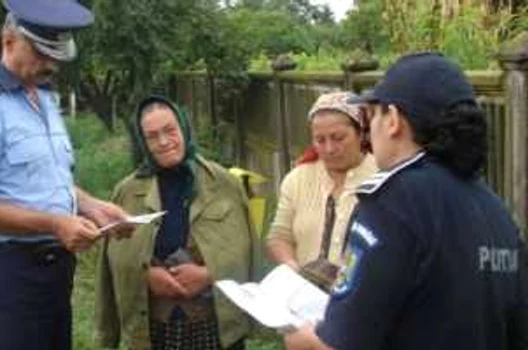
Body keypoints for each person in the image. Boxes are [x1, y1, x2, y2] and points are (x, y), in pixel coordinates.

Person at [284, 52, 528, 350]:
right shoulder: (496, 211)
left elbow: (343, 343)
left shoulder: (392, 202)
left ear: (393, 121)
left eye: (373, 116)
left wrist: (303, 339)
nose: (370, 132)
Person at [0, 1, 133, 349]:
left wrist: (92, 206)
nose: (50, 64)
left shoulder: (42, 98)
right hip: (9, 276)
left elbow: (45, 179)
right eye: (41, 52)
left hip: (55, 272)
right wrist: (56, 224)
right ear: (9, 40)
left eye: (56, 54)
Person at [95, 96, 260, 350]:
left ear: (183, 128)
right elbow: (113, 262)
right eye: (152, 136)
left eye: (170, 131)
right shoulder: (126, 192)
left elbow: (246, 251)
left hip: (215, 325)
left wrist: (209, 274)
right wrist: (147, 276)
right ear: (142, 142)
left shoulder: (224, 184)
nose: (163, 142)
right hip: (153, 329)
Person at [266, 91, 376, 278]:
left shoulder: (382, 178)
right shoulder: (297, 179)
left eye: (339, 138)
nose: (329, 149)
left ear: (361, 133)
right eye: (320, 140)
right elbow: (279, 236)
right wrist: (292, 267)